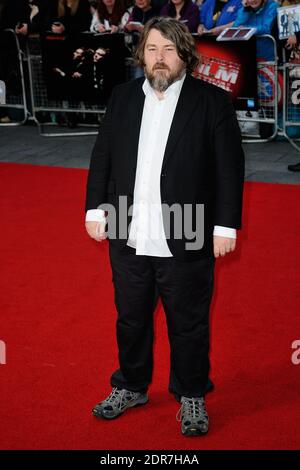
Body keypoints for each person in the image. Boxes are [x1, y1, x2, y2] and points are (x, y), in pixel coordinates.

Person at [85, 16, 244, 437]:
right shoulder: (121, 97)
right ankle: (131, 386)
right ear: (141, 55)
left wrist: (226, 225)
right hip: (127, 225)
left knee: (188, 322)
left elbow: (229, 170)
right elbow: (102, 156)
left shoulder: (211, 101)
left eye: (169, 50)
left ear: (185, 56)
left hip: (189, 226)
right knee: (130, 319)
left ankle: (191, 392)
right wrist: (94, 210)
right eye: (153, 49)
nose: (160, 58)